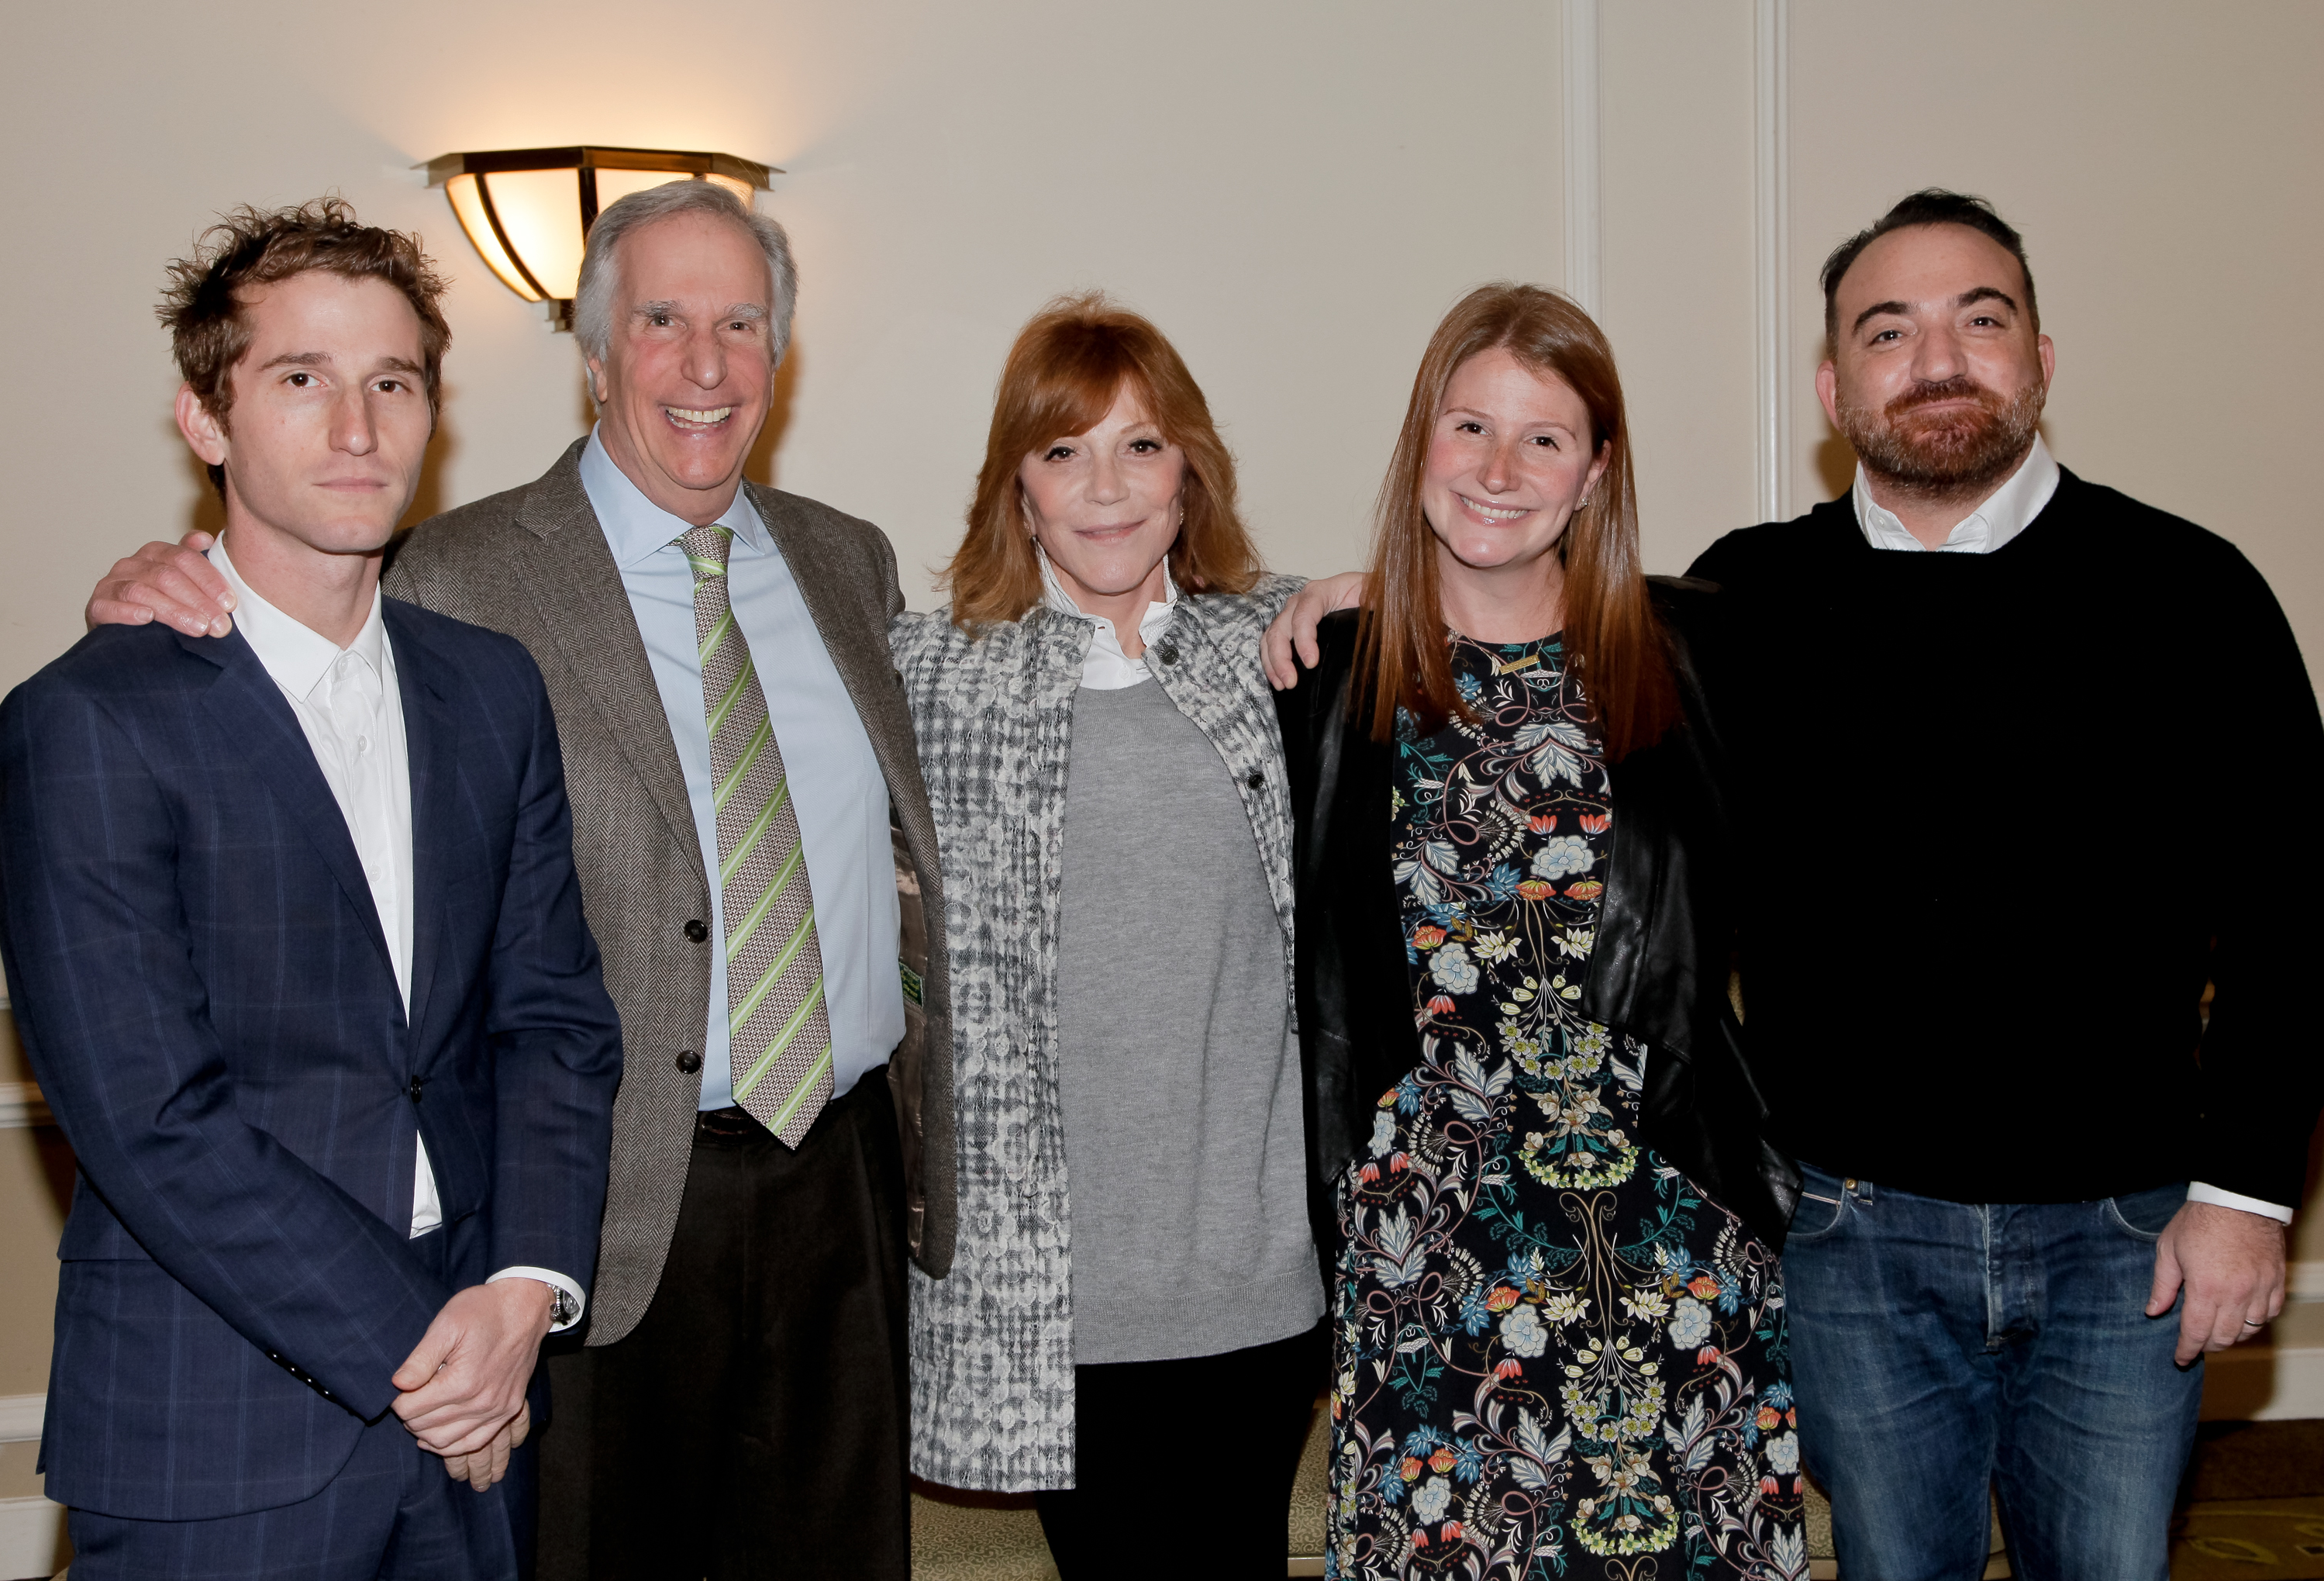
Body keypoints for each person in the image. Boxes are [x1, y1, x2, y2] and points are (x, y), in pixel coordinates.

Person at [82, 178, 953, 1581]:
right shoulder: (449, 575)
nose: (705, 363)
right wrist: (162, 583)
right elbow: (295, 656)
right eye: (661, 319)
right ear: (596, 354)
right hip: (600, 1206)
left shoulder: (848, 563)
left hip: (841, 1173)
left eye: (741, 324)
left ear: (779, 360)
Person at [1677, 191, 2324, 1579]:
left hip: (2131, 1237)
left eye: (1982, 319)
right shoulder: (1744, 604)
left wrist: (2251, 1194)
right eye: (1889, 329)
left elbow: (2295, 906)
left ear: (2041, 357)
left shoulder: (2192, 590)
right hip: (1847, 1234)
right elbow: (1554, 699)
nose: (1940, 358)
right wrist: (1390, 590)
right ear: (1832, 381)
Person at [0, 199, 623, 1579]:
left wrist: (522, 1295)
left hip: (483, 1409)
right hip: (216, 1427)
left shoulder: (491, 689)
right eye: (302, 380)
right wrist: (427, 1354)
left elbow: (554, 1022)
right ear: (205, 422)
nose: (359, 429)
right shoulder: (88, 722)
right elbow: (151, 1117)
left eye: (392, 383)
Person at [1272, 284, 1803, 1580]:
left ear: (1595, 471)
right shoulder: (1325, 671)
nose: (1499, 471)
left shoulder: (1702, 654)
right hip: (1426, 1246)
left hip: (1670, 1232)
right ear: (1422, 445)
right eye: (1469, 429)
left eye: (1544, 439)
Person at [896, 295, 1325, 1578]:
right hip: (1052, 1301)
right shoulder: (932, 676)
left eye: (1140, 446)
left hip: (1260, 1275)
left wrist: (1376, 590)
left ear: (1190, 469)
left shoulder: (1290, 649)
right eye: (1063, 451)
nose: (1106, 488)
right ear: (1015, 489)